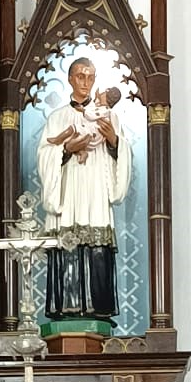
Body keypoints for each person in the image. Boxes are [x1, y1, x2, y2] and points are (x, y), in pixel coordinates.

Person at [37, 58, 132, 322]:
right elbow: (44, 156)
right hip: (68, 194)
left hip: (96, 194)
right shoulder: (57, 118)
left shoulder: (108, 116)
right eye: (80, 76)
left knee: (97, 245)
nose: (86, 82)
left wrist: (113, 140)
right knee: (69, 246)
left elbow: (122, 151)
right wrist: (67, 149)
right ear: (70, 79)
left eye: (91, 77)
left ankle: (98, 310)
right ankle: (66, 309)